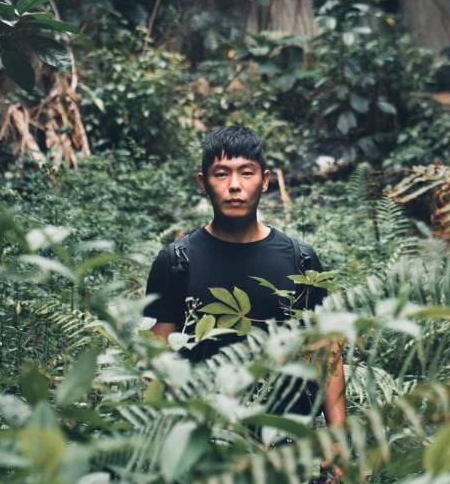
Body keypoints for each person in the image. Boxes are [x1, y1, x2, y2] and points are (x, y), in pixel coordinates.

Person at [145, 125, 346, 435]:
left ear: (264, 181)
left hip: (287, 440)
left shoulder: (301, 260)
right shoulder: (176, 262)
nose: (235, 186)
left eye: (246, 173)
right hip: (206, 441)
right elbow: (158, 360)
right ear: (203, 183)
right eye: (221, 174)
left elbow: (326, 353)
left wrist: (338, 441)